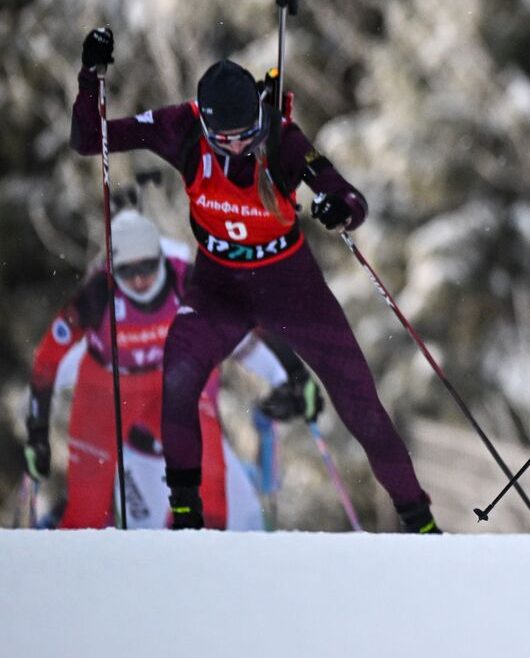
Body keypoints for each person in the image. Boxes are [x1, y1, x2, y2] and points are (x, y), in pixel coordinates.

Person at [70, 33, 438, 532]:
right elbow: (90, 139)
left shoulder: (282, 138)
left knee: (360, 403)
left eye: (248, 133)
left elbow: (347, 197)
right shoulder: (180, 127)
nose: (242, 145)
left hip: (292, 287)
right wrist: (91, 79)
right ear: (205, 122)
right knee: (177, 375)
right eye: (228, 139)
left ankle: (418, 521)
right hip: (220, 287)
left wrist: (338, 209)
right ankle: (185, 516)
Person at [22, 210, 319, 529]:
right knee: (86, 510)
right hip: (106, 390)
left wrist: (298, 375)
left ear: (160, 259)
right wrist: (37, 432)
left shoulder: (188, 282)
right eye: (127, 271)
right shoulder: (97, 296)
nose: (138, 280)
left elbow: (253, 320)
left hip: (169, 384)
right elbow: (48, 359)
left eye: (147, 267)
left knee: (208, 476)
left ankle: (202, 556)